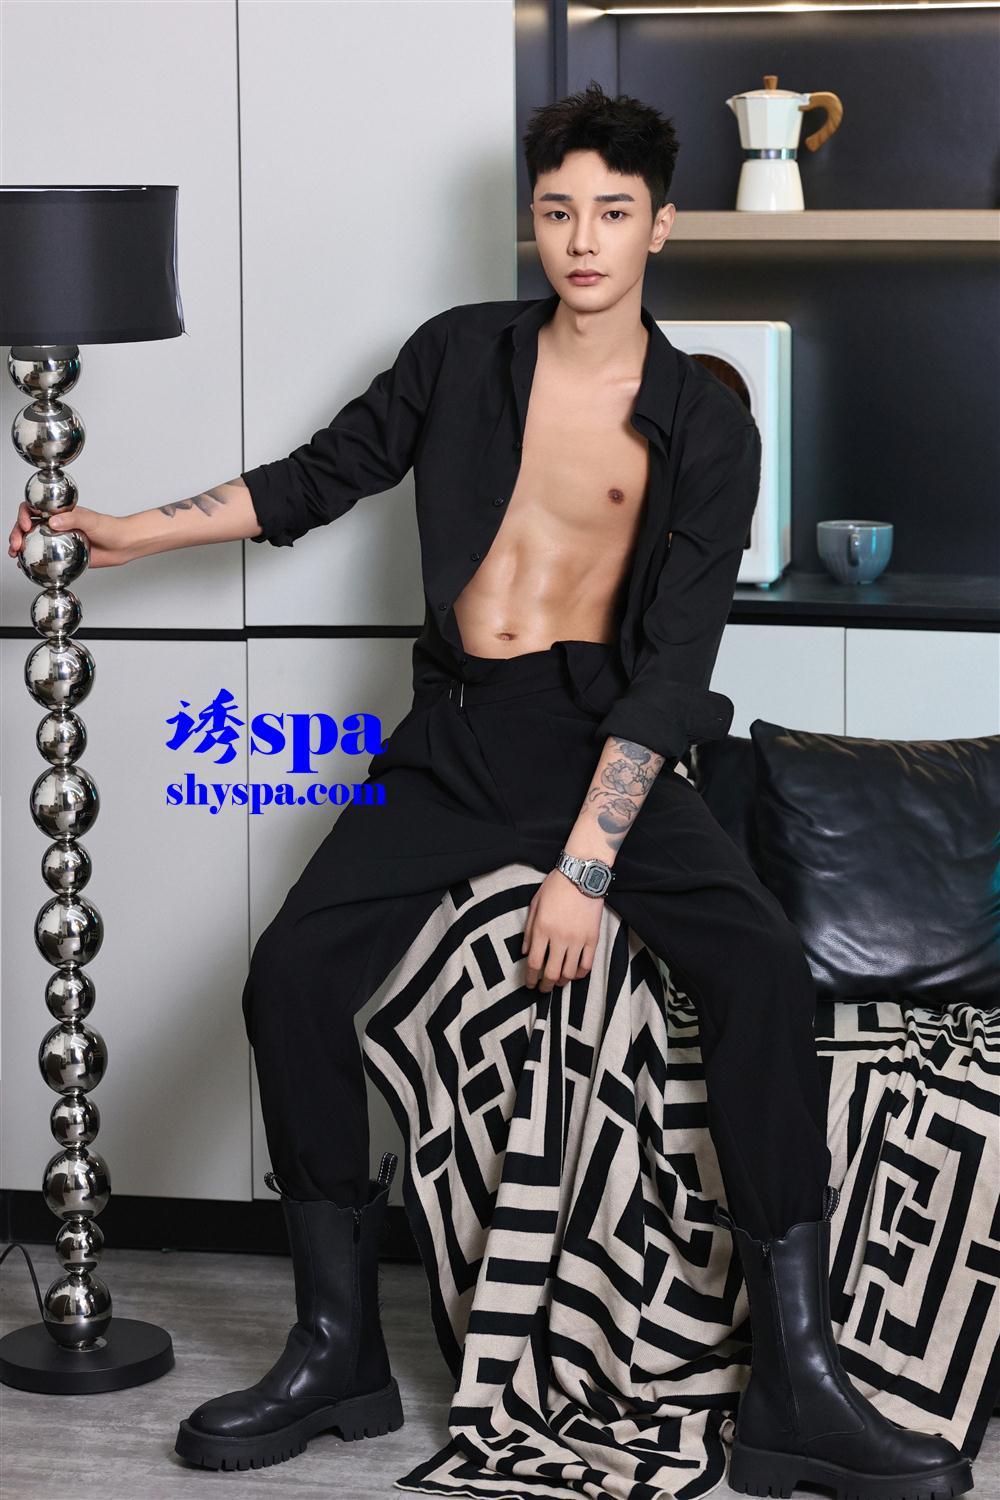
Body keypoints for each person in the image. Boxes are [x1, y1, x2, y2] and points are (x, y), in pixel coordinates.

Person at [9, 80, 972, 1500]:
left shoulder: (704, 419)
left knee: (762, 967)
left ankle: (797, 1382)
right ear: (534, 221)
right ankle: (336, 1349)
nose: (582, 239)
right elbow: (317, 477)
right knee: (290, 977)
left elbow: (674, 667)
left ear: (660, 229)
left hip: (605, 739)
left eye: (613, 213)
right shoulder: (461, 354)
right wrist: (127, 532)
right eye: (558, 210)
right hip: (456, 738)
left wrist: (585, 867)